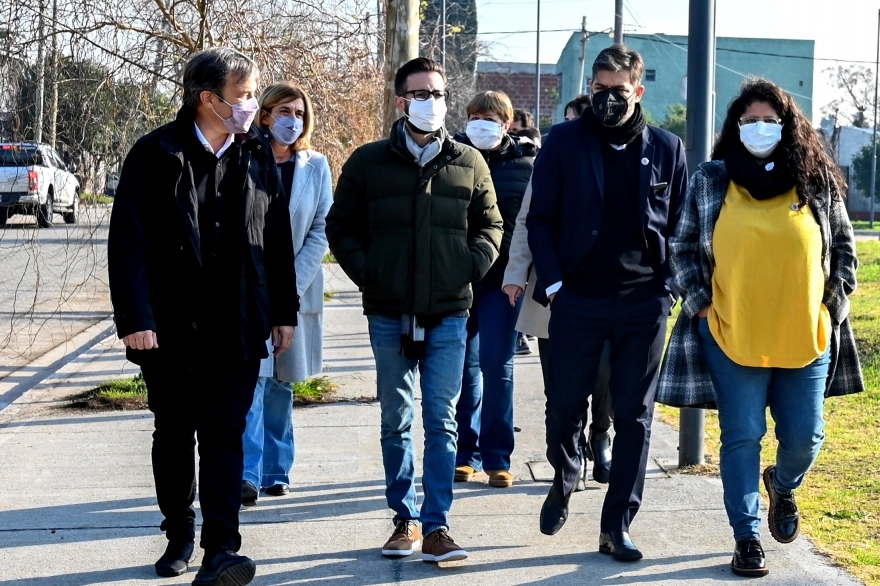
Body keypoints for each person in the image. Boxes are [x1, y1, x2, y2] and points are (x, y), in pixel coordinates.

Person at [657, 78, 863, 578]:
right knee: (741, 436)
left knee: (805, 437)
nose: (760, 128)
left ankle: (783, 485)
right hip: (731, 334)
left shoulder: (815, 181)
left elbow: (844, 252)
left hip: (806, 335)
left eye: (770, 120)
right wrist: (703, 307)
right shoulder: (711, 180)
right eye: (750, 121)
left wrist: (829, 308)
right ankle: (746, 536)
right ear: (735, 127)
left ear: (788, 126)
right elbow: (681, 249)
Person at [108, 47, 298, 586]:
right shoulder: (154, 153)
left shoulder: (257, 152)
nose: (252, 105)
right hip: (167, 327)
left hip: (237, 324)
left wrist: (284, 311)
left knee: (225, 435)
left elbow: (276, 240)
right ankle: (177, 532)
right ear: (208, 98)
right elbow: (128, 244)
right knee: (173, 434)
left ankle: (222, 550)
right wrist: (136, 318)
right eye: (243, 96)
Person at [326, 57, 503, 563]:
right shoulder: (368, 161)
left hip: (449, 313)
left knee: (442, 422)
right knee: (395, 419)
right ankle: (403, 519)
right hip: (388, 313)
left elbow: (491, 225)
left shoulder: (468, 161)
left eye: (439, 93)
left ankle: (438, 525)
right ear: (402, 101)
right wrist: (372, 272)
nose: (433, 103)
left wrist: (465, 269)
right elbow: (341, 227)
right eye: (422, 94)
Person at [526, 44, 687, 561]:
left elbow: (682, 226)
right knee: (565, 406)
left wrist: (669, 287)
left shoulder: (667, 148)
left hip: (644, 303)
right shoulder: (564, 141)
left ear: (638, 91)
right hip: (577, 299)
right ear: (590, 88)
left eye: (619, 91)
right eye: (600, 90)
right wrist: (553, 285)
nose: (608, 99)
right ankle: (565, 470)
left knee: (635, 417)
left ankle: (616, 524)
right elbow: (541, 219)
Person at [241, 82, 332, 507]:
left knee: (282, 383)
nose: (291, 120)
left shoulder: (316, 166)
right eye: (282, 111)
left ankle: (278, 470)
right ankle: (248, 472)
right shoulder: (245, 156)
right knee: (253, 381)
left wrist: (291, 283)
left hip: (297, 288)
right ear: (264, 115)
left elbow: (321, 228)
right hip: (251, 287)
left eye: (298, 112)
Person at [503, 180, 614, 490]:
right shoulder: (556, 151)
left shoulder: (619, 148)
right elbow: (528, 219)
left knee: (606, 368)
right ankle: (568, 454)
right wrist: (515, 274)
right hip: (554, 287)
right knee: (559, 383)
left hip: (606, 282)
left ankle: (602, 433)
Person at [451, 90, 536, 489]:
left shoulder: (527, 165)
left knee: (497, 366)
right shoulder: (449, 156)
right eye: (475, 115)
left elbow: (531, 226)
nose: (481, 122)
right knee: (462, 370)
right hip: (457, 280)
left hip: (504, 284)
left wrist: (520, 275)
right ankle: (462, 453)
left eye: (491, 117)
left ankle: (497, 457)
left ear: (507, 123)